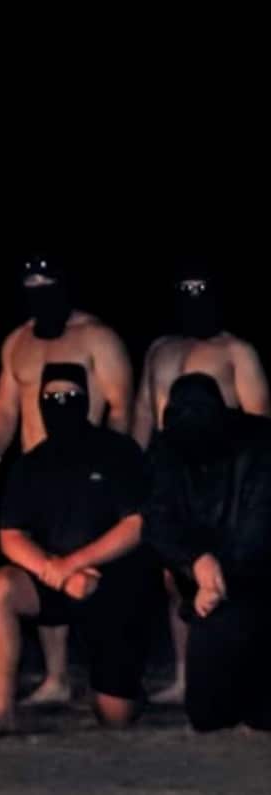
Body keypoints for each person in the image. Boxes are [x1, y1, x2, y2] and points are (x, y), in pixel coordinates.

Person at [0, 254, 134, 706]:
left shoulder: (97, 337)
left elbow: (122, 405)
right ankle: (55, 676)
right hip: (34, 472)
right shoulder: (18, 342)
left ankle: (110, 676)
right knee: (41, 563)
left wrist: (112, 469)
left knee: (91, 570)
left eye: (48, 283)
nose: (40, 292)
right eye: (32, 284)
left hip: (93, 475)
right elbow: (5, 409)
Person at [0, 364, 156, 736]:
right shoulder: (30, 464)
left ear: (86, 401)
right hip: (55, 579)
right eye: (53, 398)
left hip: (111, 581)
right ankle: (3, 708)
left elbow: (136, 526)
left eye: (70, 398)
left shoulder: (118, 451)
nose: (62, 405)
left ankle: (121, 684)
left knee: (116, 716)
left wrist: (76, 563)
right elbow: (10, 535)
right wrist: (54, 572)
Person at [131, 265, 270, 704]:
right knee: (175, 575)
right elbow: (142, 415)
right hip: (172, 471)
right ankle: (185, 674)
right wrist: (138, 473)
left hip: (226, 478)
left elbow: (259, 422)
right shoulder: (160, 349)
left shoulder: (237, 350)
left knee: (236, 571)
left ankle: (241, 675)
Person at [144, 373, 271, 732]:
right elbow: (157, 519)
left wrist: (217, 578)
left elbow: (259, 528)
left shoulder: (261, 445)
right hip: (207, 582)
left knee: (261, 714)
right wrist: (194, 560)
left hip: (259, 578)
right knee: (208, 716)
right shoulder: (167, 447)